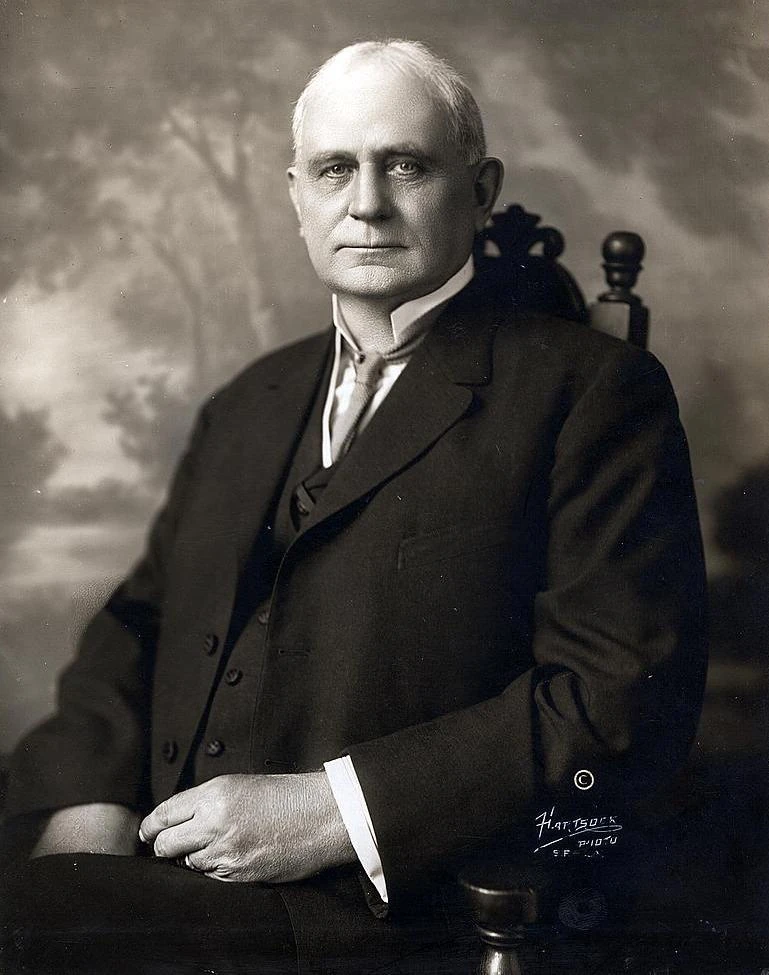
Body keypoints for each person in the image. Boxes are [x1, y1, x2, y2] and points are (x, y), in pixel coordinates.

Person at [1, 39, 707, 975]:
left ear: (480, 190)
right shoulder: (251, 399)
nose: (365, 203)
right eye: (335, 169)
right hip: (148, 862)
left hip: (378, 905)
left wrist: (335, 811)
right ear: (298, 196)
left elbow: (617, 702)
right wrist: (85, 802)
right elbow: (139, 620)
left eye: (405, 165)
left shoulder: (591, 392)